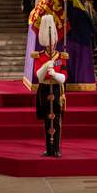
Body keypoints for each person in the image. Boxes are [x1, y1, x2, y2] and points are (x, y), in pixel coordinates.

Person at [33, 15, 68, 157]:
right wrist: (45, 66)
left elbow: (64, 77)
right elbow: (38, 76)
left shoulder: (61, 57)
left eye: (52, 42)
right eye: (48, 43)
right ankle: (49, 148)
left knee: (57, 119)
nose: (51, 45)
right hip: (45, 89)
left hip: (57, 89)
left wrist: (54, 74)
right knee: (47, 119)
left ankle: (57, 148)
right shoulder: (39, 56)